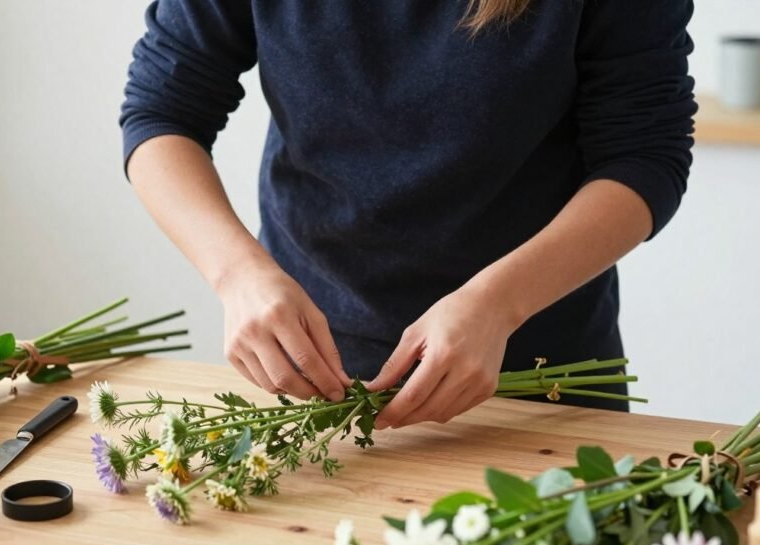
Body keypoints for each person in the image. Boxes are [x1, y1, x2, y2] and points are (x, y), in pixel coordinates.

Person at [120, 0, 696, 429]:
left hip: (534, 372)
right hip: (308, 371)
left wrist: (497, 305)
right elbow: (161, 111)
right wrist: (237, 274)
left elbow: (644, 157)